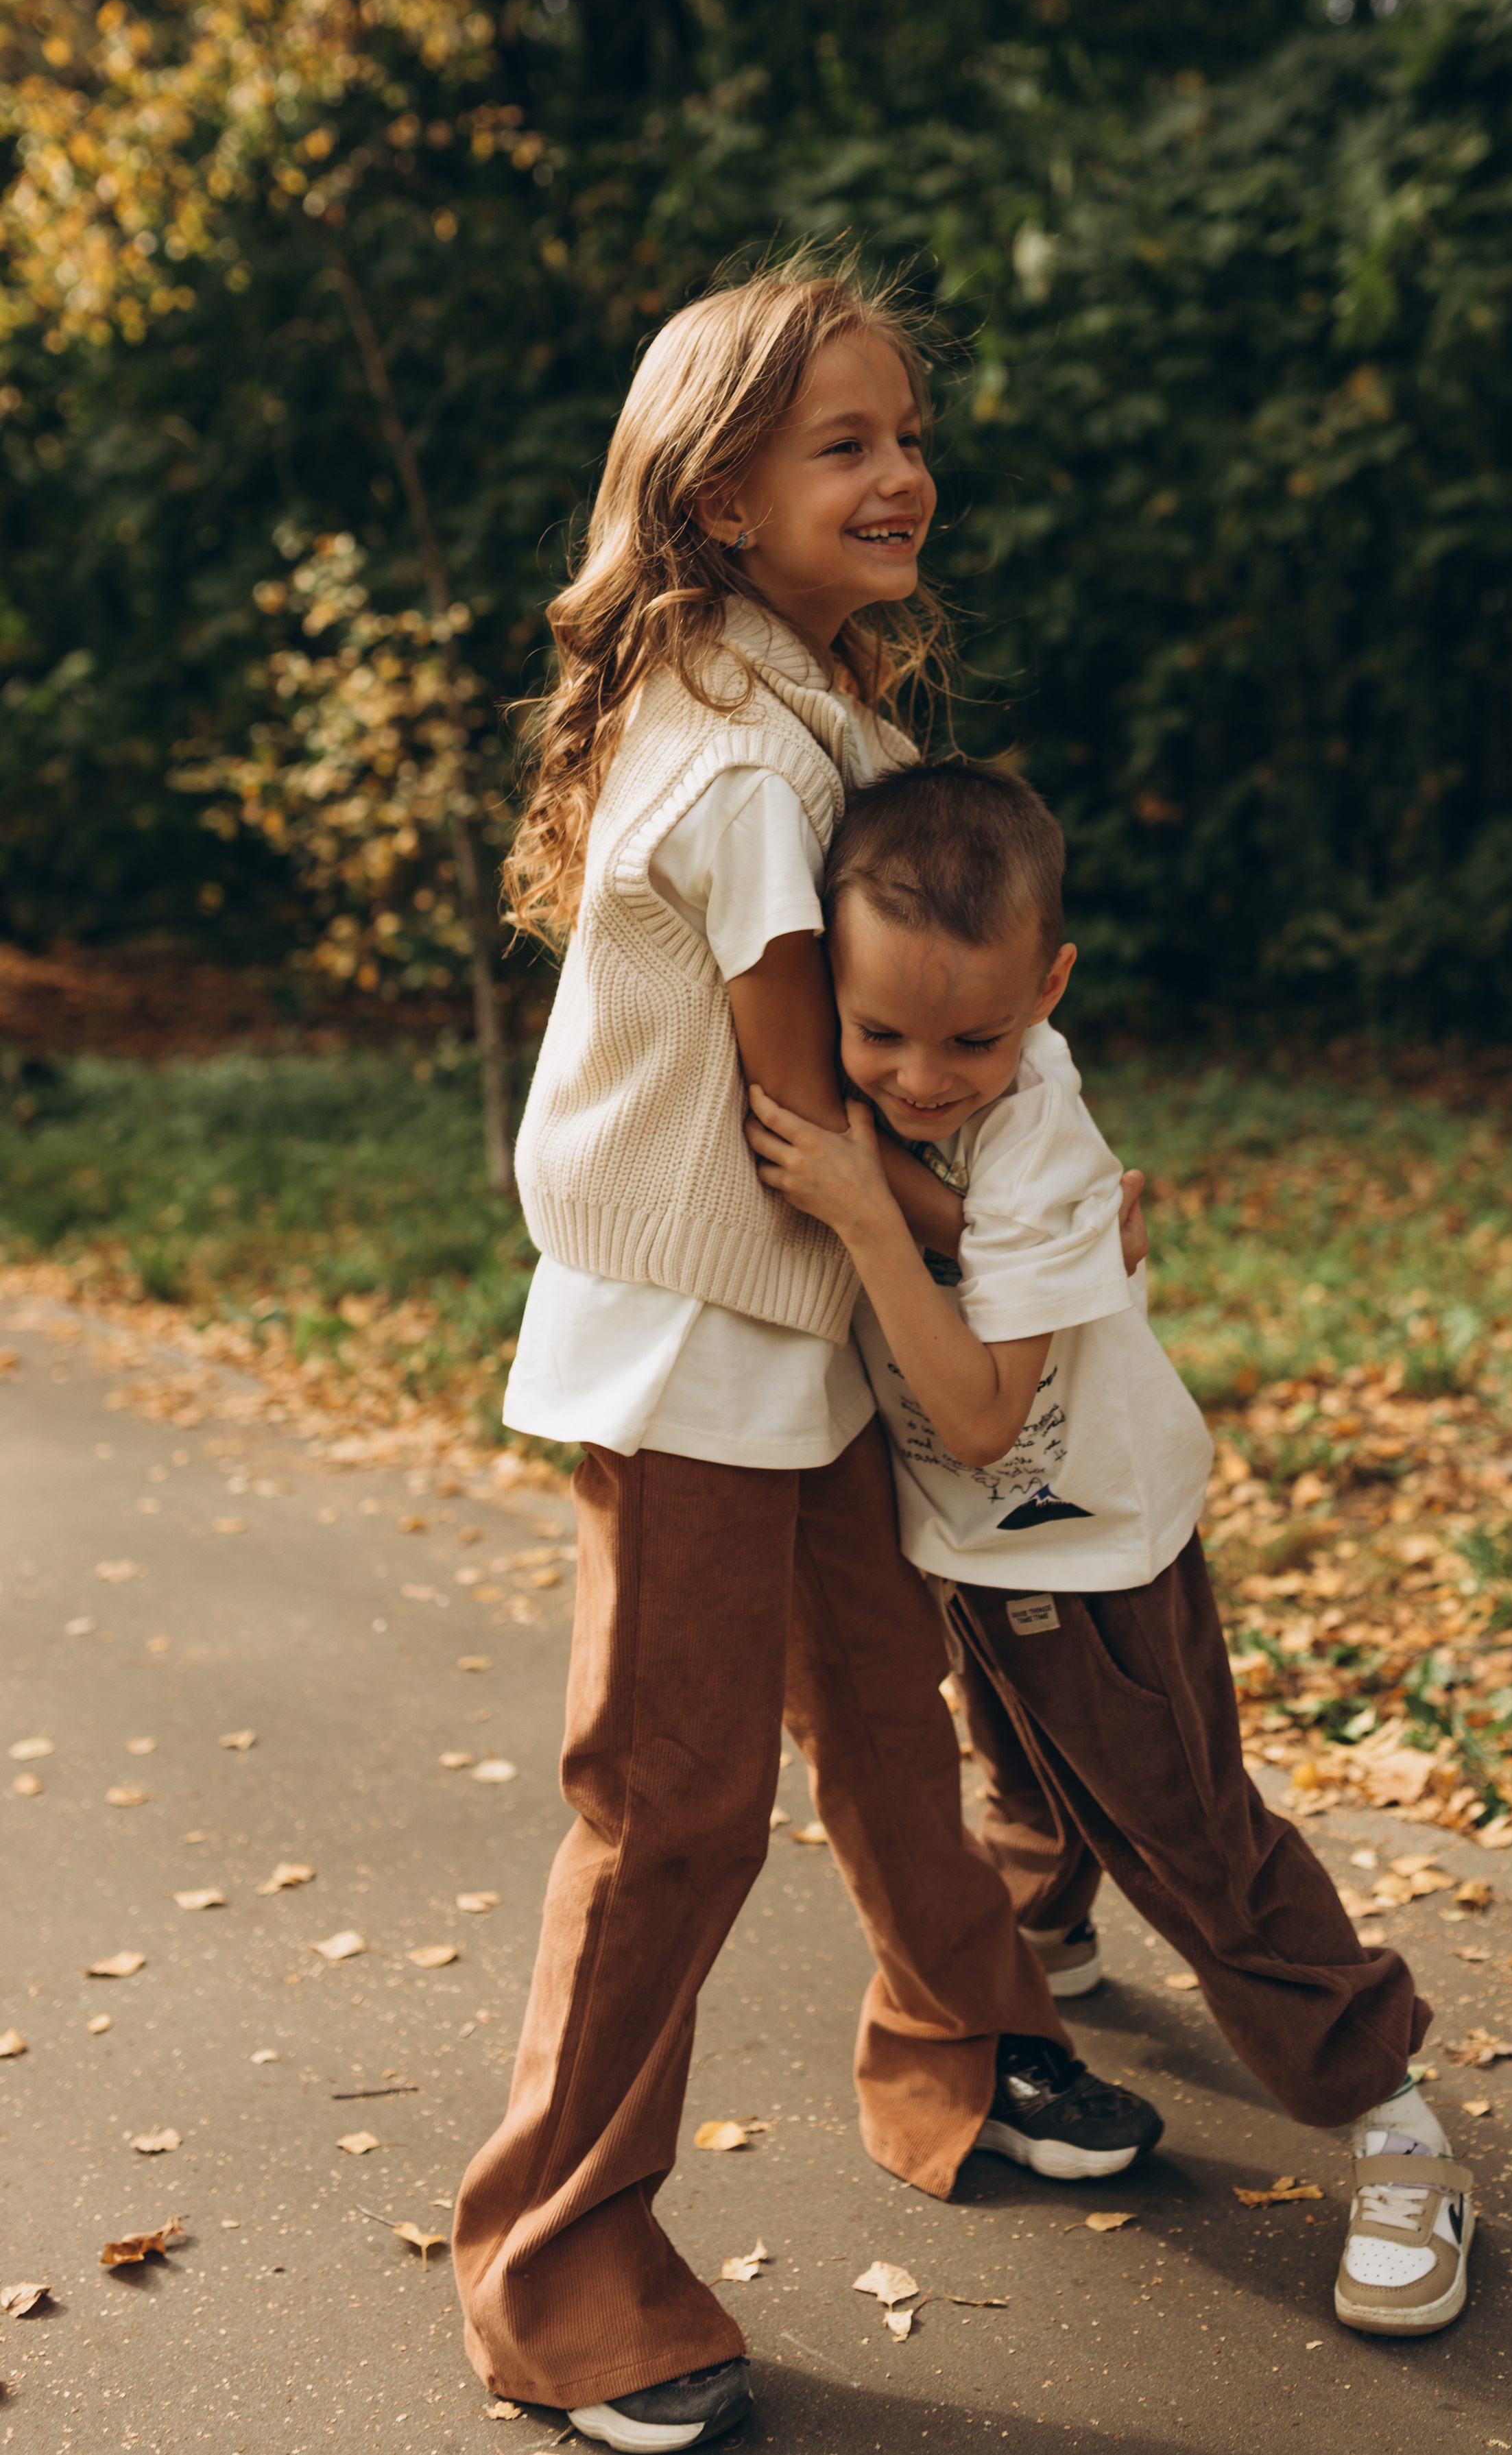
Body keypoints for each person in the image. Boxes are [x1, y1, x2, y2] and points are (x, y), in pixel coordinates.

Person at [451, 263, 1163, 2454]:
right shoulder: (752, 761)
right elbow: (809, 1121)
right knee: (668, 1815)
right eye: (842, 443)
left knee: (882, 1705)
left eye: (905, 434)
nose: (901, 472)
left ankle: (960, 2045)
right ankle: (554, 2268)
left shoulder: (815, 709)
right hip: (694, 1354)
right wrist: (1023, 1248)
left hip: (806, 1331)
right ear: (721, 495)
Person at [745, 758, 1478, 2342]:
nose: (921, 1078)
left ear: (1047, 989)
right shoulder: (927, 1108)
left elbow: (990, 1414)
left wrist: (869, 1213)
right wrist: (905, 1195)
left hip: (1087, 1554)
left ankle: (1389, 2115)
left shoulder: (1040, 1138)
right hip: (982, 1555)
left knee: (1194, 1840)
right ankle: (1047, 1947)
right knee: (1018, 1775)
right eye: (876, 1034)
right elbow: (971, 1233)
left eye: (972, 1039)